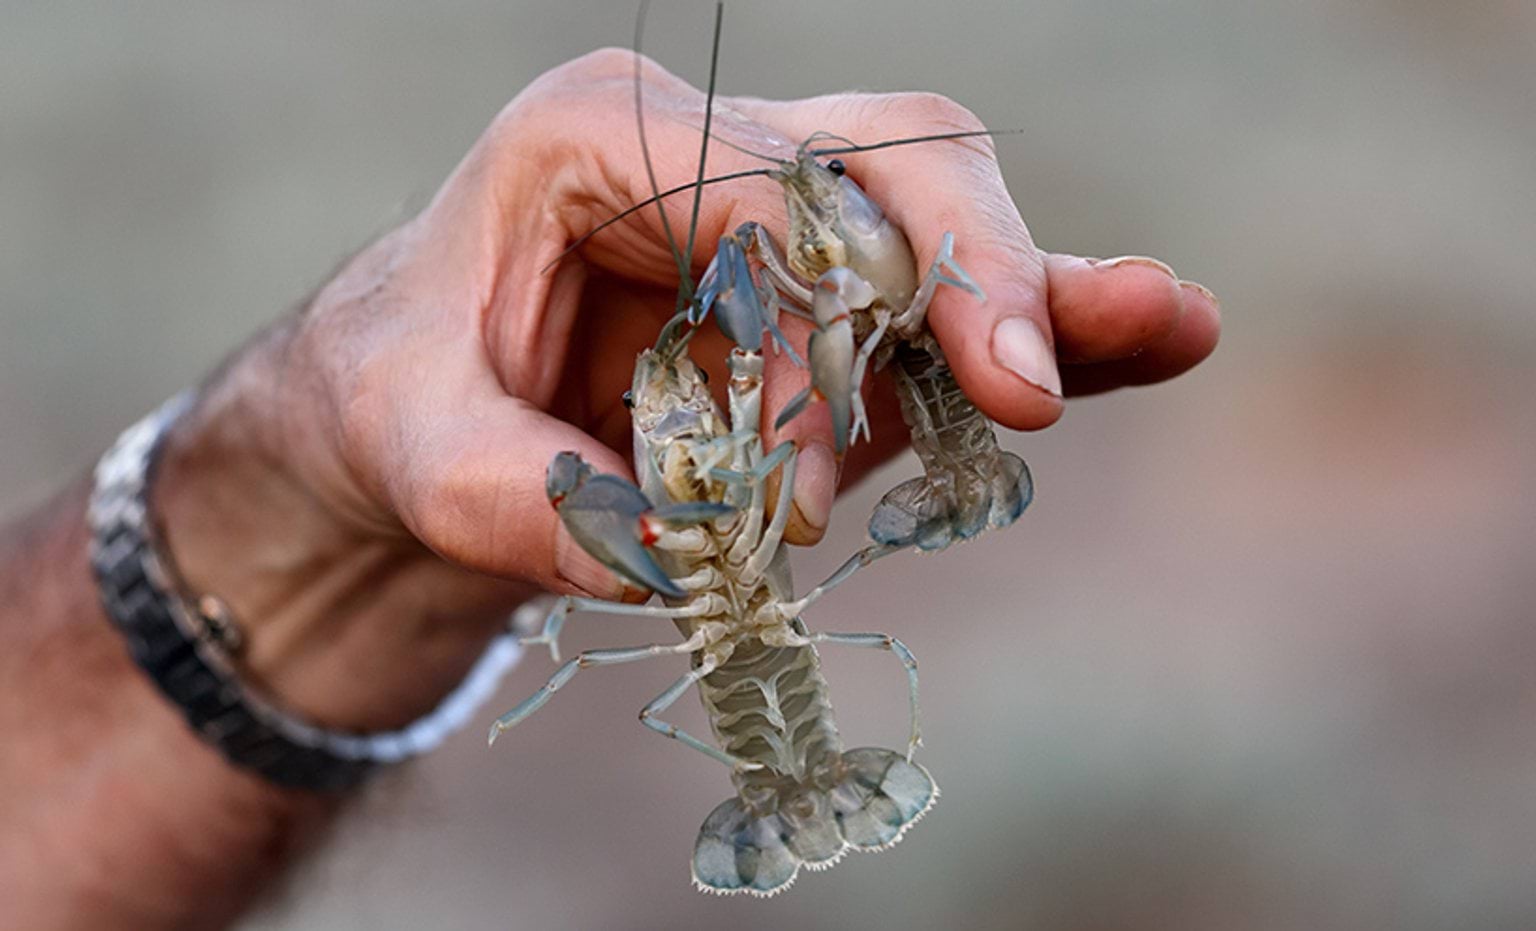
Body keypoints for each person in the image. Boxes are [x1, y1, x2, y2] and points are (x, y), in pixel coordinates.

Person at [0, 50, 1219, 929]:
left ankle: (795, 764)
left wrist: (332, 528)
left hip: (743, 615)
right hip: (744, 642)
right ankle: (780, 779)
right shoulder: (723, 425)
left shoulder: (730, 406)